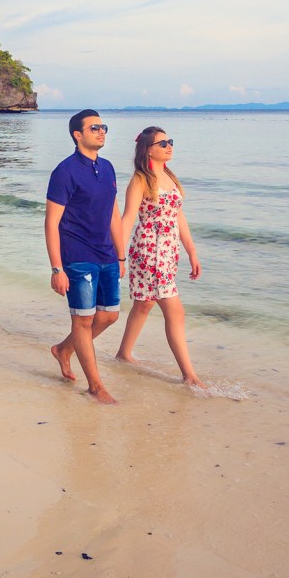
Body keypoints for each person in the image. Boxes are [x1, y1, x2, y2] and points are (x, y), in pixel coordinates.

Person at [114, 125, 206, 387]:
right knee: (176, 312)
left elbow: (178, 216)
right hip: (150, 252)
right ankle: (189, 376)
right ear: (148, 150)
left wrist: (192, 251)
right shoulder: (141, 180)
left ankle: (123, 354)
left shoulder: (170, 177)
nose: (169, 147)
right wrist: (118, 255)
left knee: (144, 304)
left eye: (170, 142)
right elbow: (128, 218)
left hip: (168, 252)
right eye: (162, 143)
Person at [46, 109, 125, 404]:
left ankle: (63, 350)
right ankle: (95, 386)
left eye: (103, 126)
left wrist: (121, 255)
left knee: (109, 315)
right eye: (94, 128)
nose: (102, 131)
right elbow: (51, 222)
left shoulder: (107, 168)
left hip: (106, 253)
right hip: (77, 256)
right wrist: (57, 269)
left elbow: (114, 215)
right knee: (83, 320)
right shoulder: (65, 171)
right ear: (78, 135)